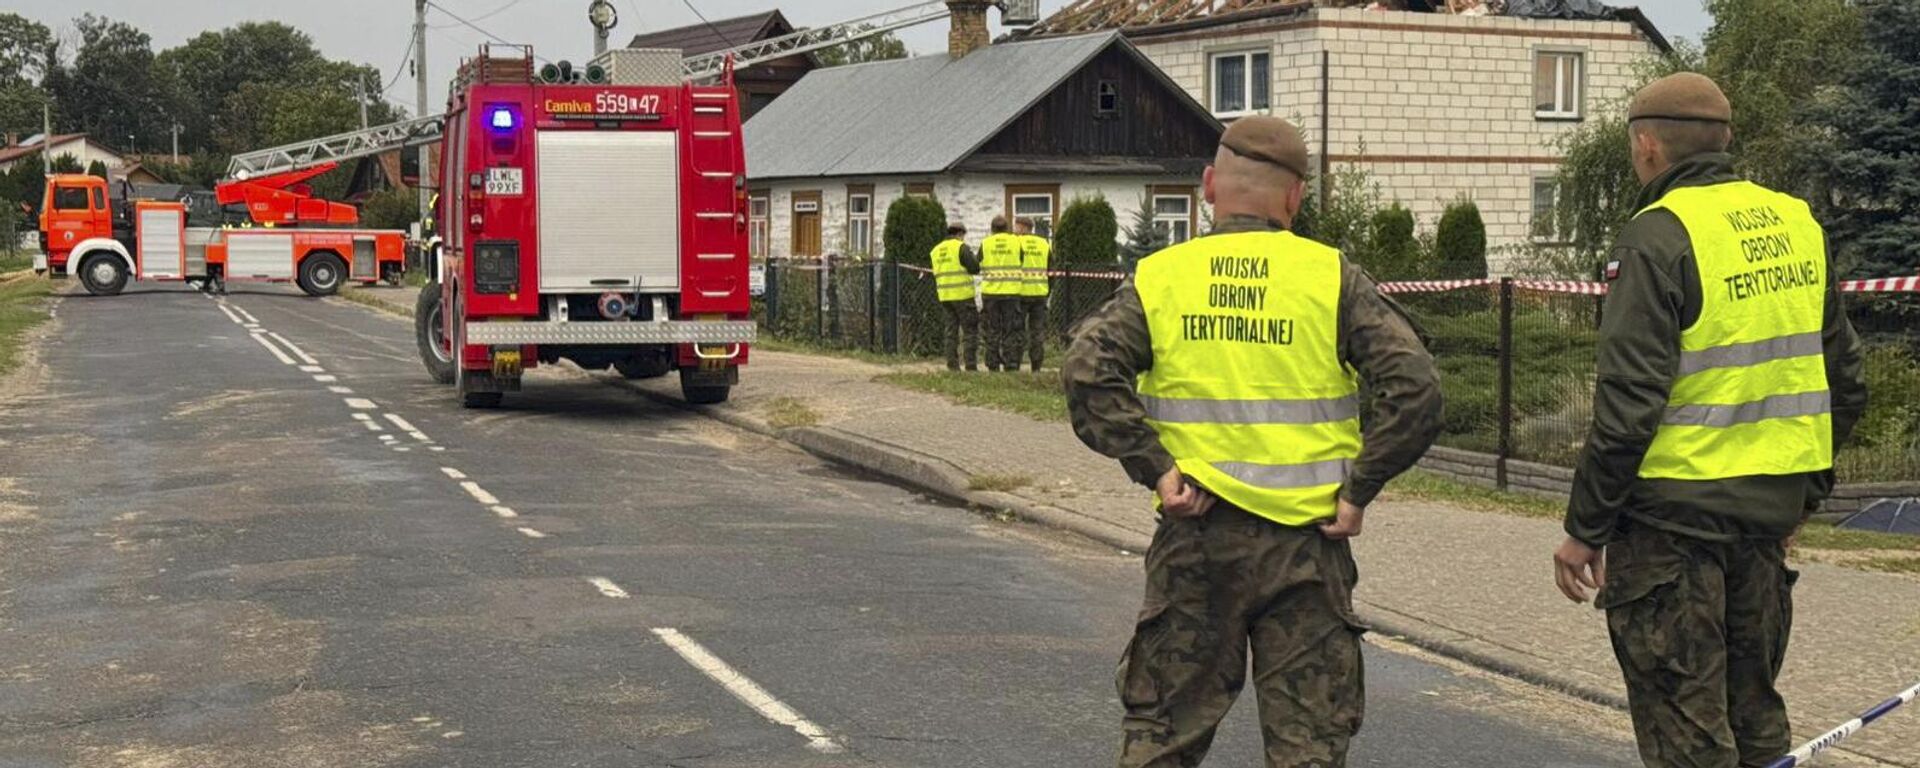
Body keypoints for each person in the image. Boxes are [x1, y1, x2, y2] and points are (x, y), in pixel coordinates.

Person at [1064, 115, 1443, 768]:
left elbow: (1087, 372)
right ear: (1296, 198)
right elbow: (1417, 390)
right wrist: (1360, 490)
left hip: (1196, 541)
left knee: (1161, 743)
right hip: (1307, 552)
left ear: (1209, 186)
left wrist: (1155, 468)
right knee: (1308, 751)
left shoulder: (1162, 277)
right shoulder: (1331, 278)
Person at [1551, 72, 1869, 768]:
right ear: (1725, 142)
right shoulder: (1796, 224)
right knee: (1754, 721)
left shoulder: (1658, 237)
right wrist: (1800, 495)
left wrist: (1585, 528)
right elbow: (1845, 380)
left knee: (1688, 739)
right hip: (1762, 532)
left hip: (1670, 534)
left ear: (1647, 148)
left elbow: (1628, 404)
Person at [929, 223, 982, 371]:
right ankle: (970, 366)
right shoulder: (961, 247)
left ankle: (952, 365)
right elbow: (974, 267)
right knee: (970, 331)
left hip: (945, 296)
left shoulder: (936, 250)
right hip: (963, 295)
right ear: (960, 234)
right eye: (963, 236)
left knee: (951, 331)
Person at [978, 215, 1025, 372]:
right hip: (1011, 293)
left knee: (992, 329)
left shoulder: (985, 243)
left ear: (992, 229)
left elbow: (978, 263)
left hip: (990, 293)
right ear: (1007, 228)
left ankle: (993, 364)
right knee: (1010, 329)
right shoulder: (1016, 242)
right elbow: (1021, 260)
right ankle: (1011, 364)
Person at [1017, 218, 1053, 372]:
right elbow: (1052, 270)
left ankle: (1015, 363)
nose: (1015, 229)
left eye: (1017, 226)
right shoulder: (1044, 244)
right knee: (1037, 332)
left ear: (1024, 228)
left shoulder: (1017, 243)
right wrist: (1047, 290)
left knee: (1018, 330)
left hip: (1021, 293)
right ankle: (1036, 366)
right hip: (1040, 294)